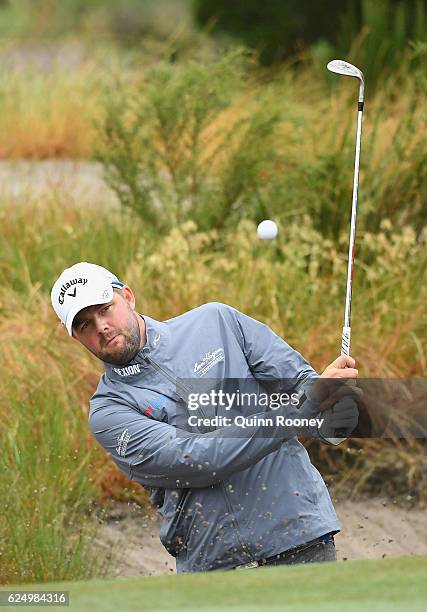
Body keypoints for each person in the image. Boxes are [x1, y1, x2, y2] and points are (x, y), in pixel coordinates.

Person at [51, 262, 361, 573]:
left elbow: (303, 389)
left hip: (300, 539)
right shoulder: (109, 411)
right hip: (216, 569)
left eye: (106, 309)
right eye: (85, 325)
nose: (101, 326)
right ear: (77, 338)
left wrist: (336, 414)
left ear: (128, 297)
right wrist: (302, 408)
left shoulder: (217, 322)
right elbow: (198, 459)